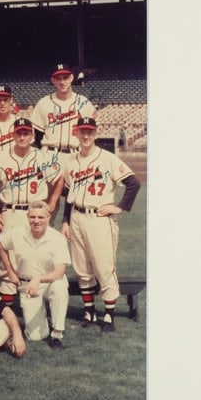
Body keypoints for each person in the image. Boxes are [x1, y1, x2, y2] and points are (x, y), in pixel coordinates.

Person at [57, 116, 141, 332]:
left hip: (99, 218)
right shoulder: (70, 161)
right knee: (82, 268)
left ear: (95, 134)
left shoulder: (108, 158)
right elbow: (69, 193)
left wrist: (119, 207)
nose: (86, 135)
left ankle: (109, 316)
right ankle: (89, 312)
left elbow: (133, 183)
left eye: (90, 132)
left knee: (104, 267)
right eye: (82, 131)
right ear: (76, 133)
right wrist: (66, 220)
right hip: (76, 216)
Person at [0, 118, 63, 301]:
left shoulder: (43, 157)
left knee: (38, 258)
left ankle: (37, 303)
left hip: (35, 213)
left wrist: (51, 205)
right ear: (13, 135)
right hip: (10, 211)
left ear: (33, 135)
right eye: (19, 133)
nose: (22, 136)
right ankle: (9, 308)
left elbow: (59, 180)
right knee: (8, 261)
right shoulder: (2, 158)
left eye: (26, 133)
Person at [0, 201, 70, 349]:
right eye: (33, 217)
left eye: (41, 217)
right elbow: (0, 244)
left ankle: (57, 334)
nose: (36, 221)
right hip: (27, 285)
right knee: (35, 336)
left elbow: (59, 272)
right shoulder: (18, 233)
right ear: (27, 216)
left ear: (48, 217)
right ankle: (43, 321)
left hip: (49, 282)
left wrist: (38, 279)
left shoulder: (57, 238)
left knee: (60, 286)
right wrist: (10, 271)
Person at [30, 63, 97, 156]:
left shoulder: (84, 103)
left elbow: (93, 132)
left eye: (65, 77)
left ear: (71, 78)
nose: (62, 82)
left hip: (76, 154)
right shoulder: (43, 103)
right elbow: (38, 135)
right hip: (50, 153)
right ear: (53, 80)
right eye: (58, 78)